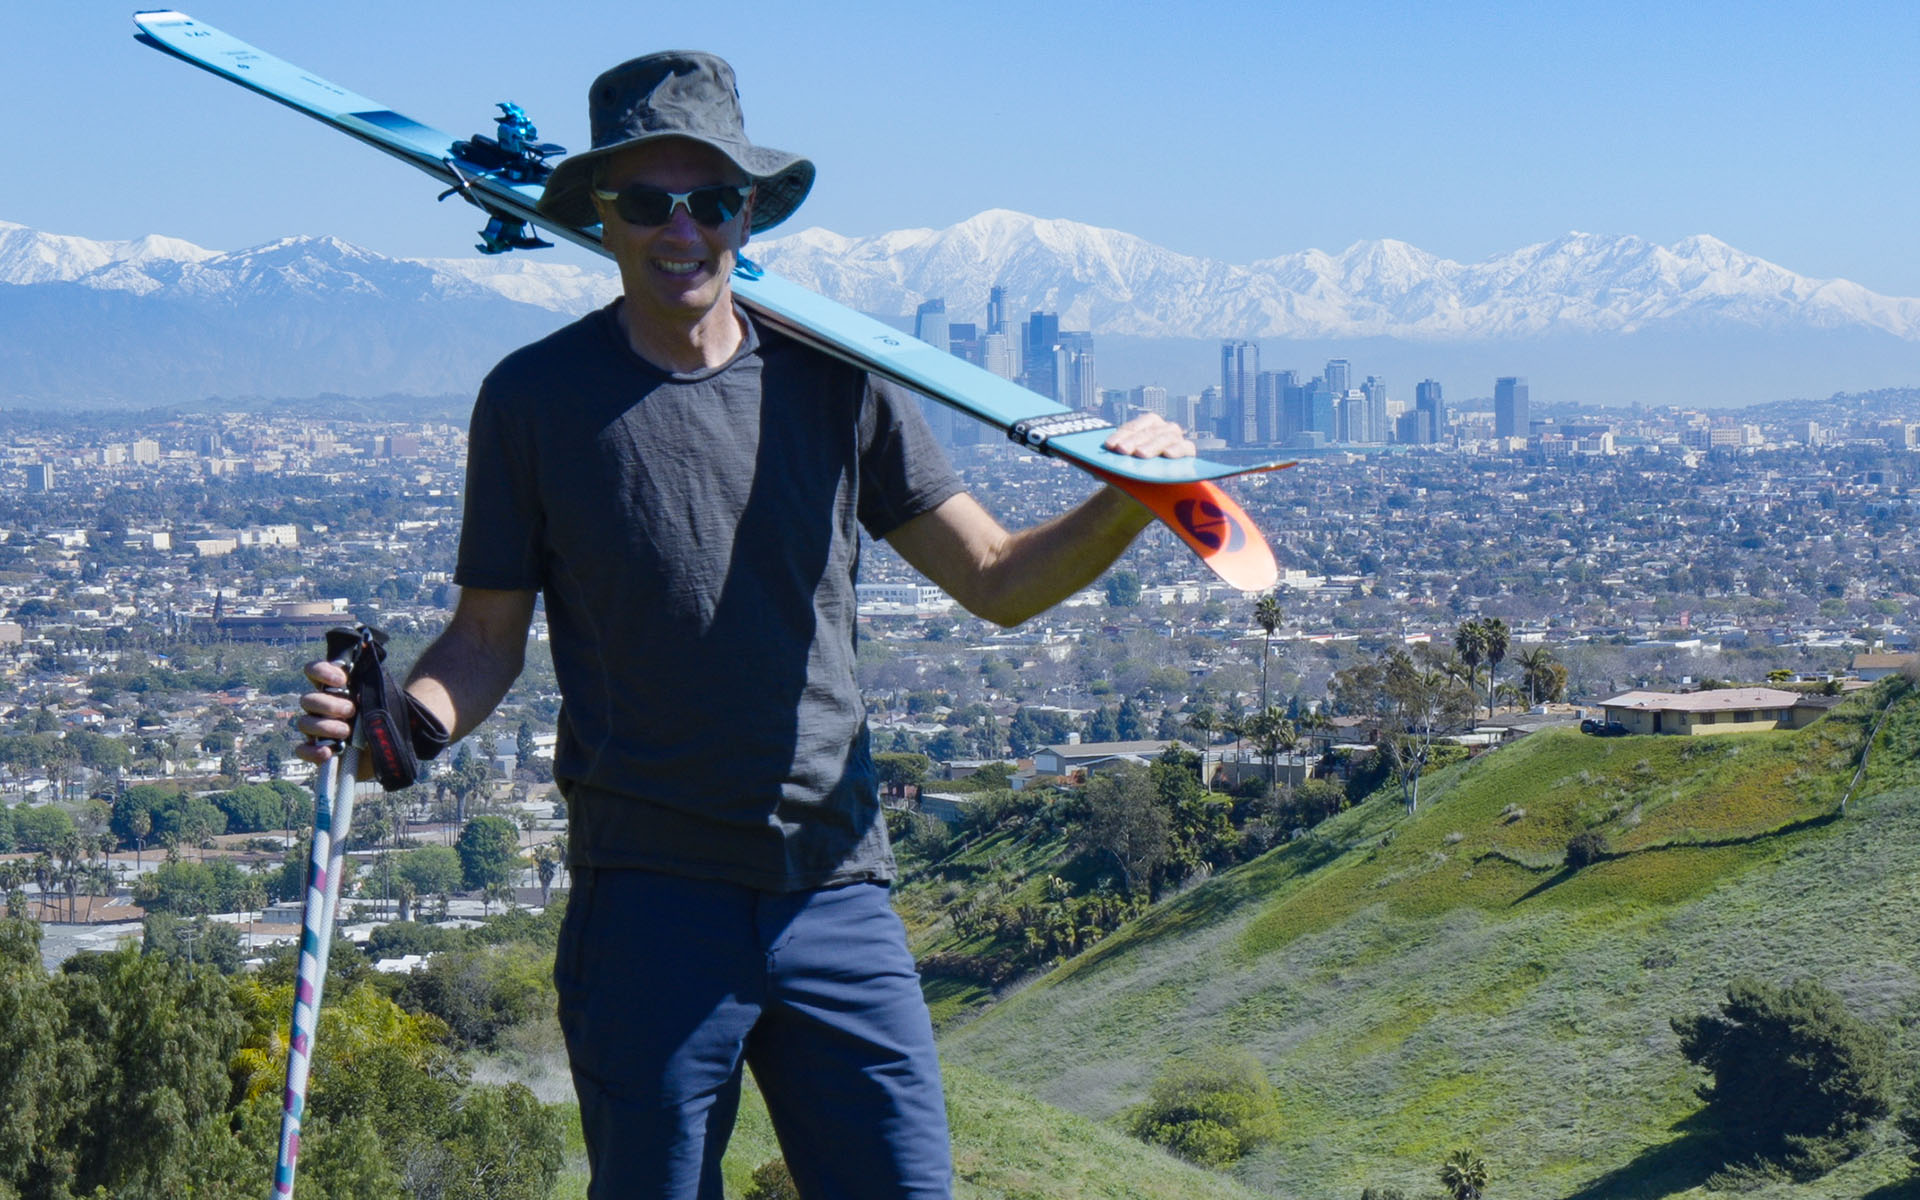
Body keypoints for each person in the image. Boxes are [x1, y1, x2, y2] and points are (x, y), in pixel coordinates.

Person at [298, 50, 1194, 1200]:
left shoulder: (842, 381)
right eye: (646, 202)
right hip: (650, 905)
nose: (683, 230)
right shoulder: (533, 400)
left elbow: (998, 579)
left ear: (750, 211)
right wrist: (398, 728)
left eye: (711, 200)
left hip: (837, 889)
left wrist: (1134, 502)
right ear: (602, 219)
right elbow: (484, 641)